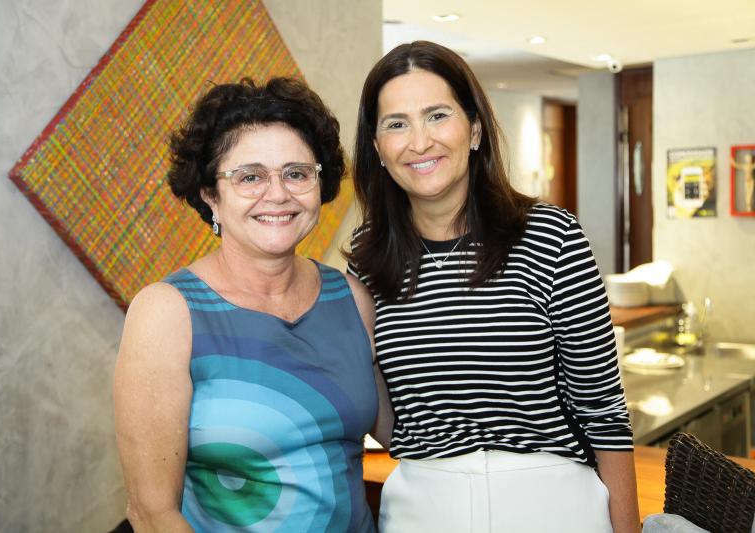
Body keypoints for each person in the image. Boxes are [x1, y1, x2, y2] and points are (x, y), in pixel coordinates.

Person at [347, 41, 640, 533]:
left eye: (437, 115)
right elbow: (382, 407)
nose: (420, 141)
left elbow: (604, 410)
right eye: (396, 124)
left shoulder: (552, 236)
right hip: (423, 507)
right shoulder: (367, 254)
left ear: (475, 129)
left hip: (553, 504)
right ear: (377, 147)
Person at [114, 77, 391, 532]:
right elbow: (151, 513)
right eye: (250, 177)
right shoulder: (167, 313)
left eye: (296, 173)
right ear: (210, 195)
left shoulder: (351, 298)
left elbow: (408, 433)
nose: (278, 194)